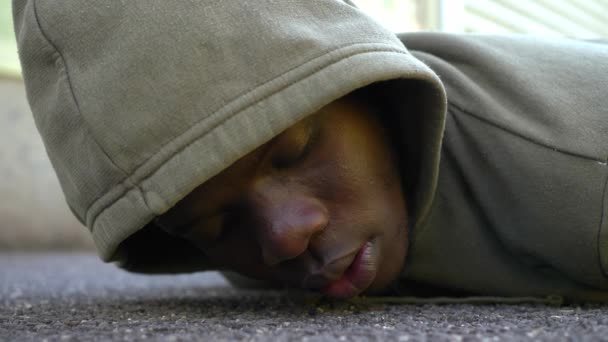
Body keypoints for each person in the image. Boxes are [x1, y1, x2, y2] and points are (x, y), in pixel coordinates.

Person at [13, 0, 608, 301]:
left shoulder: (585, 176)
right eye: (217, 224)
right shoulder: (259, 255)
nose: (284, 239)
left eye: (292, 151)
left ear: (370, 93)